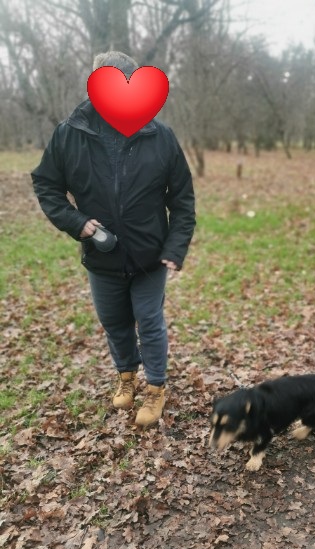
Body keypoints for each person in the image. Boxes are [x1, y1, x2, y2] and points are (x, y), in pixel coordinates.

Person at [31, 51, 196, 427]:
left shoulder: (160, 136)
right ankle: (126, 376)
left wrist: (175, 247)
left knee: (148, 319)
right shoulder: (69, 134)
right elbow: (46, 183)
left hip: (149, 254)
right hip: (101, 254)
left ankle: (156, 387)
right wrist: (77, 223)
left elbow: (182, 199)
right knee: (115, 321)